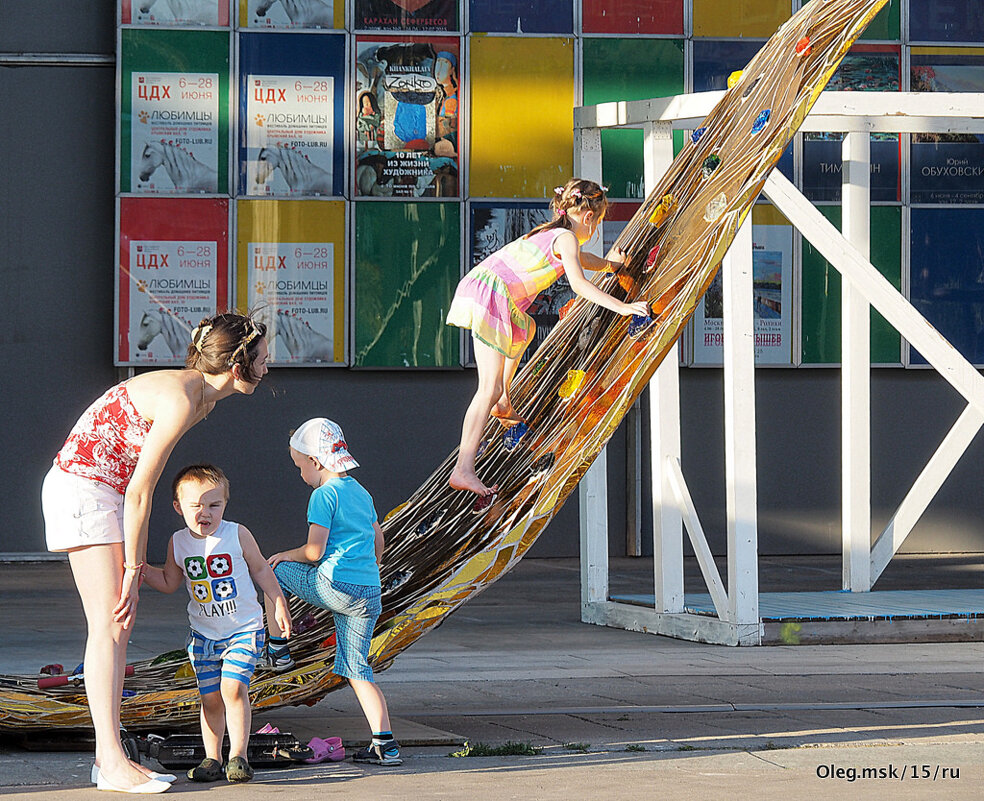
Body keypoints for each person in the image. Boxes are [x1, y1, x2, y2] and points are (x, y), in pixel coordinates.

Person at [41, 312, 269, 794]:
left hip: (102, 491)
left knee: (117, 627)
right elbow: (142, 491)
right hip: (86, 491)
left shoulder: (200, 396)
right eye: (262, 358)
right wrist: (133, 569)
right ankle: (109, 761)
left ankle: (114, 756)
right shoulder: (183, 398)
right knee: (110, 624)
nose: (267, 368)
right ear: (237, 364)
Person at [445, 178, 650, 497]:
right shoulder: (566, 237)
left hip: (497, 295)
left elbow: (584, 260)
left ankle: (503, 402)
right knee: (488, 386)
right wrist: (623, 307)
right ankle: (464, 468)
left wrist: (612, 266)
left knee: (521, 332)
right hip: (491, 293)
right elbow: (579, 283)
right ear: (590, 217)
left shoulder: (553, 234)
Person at [264, 418, 402, 767]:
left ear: (316, 462)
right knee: (358, 669)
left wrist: (285, 555)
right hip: (369, 593)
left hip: (334, 585)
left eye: (300, 466)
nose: (301, 475)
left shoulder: (323, 495)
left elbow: (314, 552)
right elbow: (378, 540)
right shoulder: (361, 491)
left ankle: (278, 649)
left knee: (271, 572)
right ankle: (385, 744)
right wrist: (370, 571)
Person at [142, 464, 292, 784]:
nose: (205, 512)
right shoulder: (178, 542)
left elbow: (262, 571)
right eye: (196, 505)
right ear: (178, 507)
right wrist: (139, 569)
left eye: (214, 504)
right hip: (203, 635)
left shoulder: (237, 534)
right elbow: (170, 581)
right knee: (209, 697)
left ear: (225, 504)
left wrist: (278, 603)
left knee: (232, 688)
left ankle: (238, 757)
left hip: (243, 629)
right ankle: (212, 758)